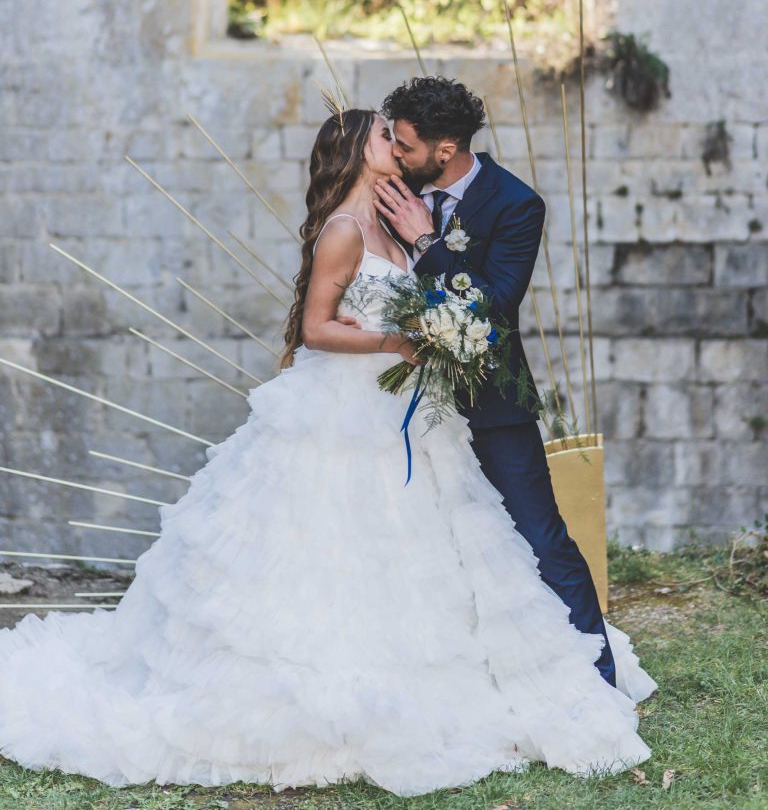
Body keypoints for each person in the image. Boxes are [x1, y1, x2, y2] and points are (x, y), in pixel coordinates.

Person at [0, 106, 657, 798]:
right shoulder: (344, 230)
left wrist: (425, 274)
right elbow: (316, 328)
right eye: (383, 135)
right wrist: (396, 342)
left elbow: (464, 297)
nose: (394, 146)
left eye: (400, 137)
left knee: (430, 542)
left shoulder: (398, 221)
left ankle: (542, 676)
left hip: (407, 414)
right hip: (345, 410)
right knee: (331, 540)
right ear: (356, 151)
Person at [375, 75, 619, 689]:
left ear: (447, 147)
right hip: (402, 401)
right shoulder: (394, 188)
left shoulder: (515, 203)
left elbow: (496, 303)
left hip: (490, 401)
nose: (396, 155)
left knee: (540, 536)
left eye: (405, 146)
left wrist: (426, 242)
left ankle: (597, 676)